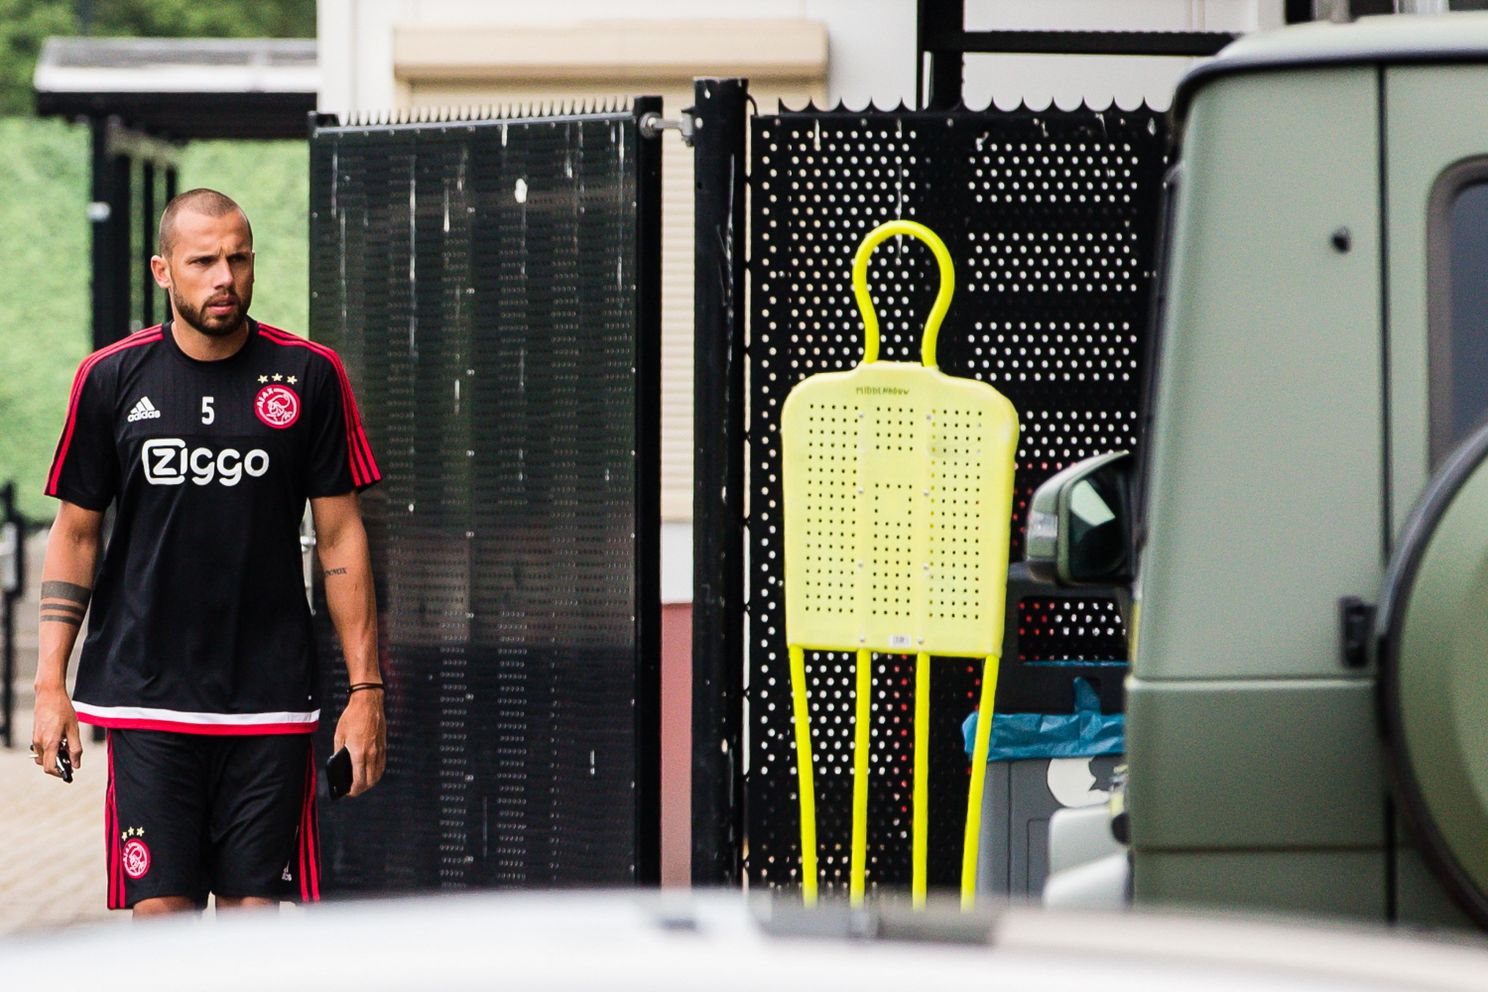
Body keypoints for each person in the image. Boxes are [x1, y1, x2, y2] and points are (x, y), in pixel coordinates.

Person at [30, 188, 386, 917]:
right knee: (165, 928)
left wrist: (366, 692)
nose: (225, 276)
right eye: (204, 262)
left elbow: (343, 536)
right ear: (164, 271)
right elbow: (76, 534)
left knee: (252, 938)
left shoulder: (310, 375)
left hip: (271, 704)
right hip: (146, 699)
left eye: (239, 258)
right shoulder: (110, 378)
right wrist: (48, 685)